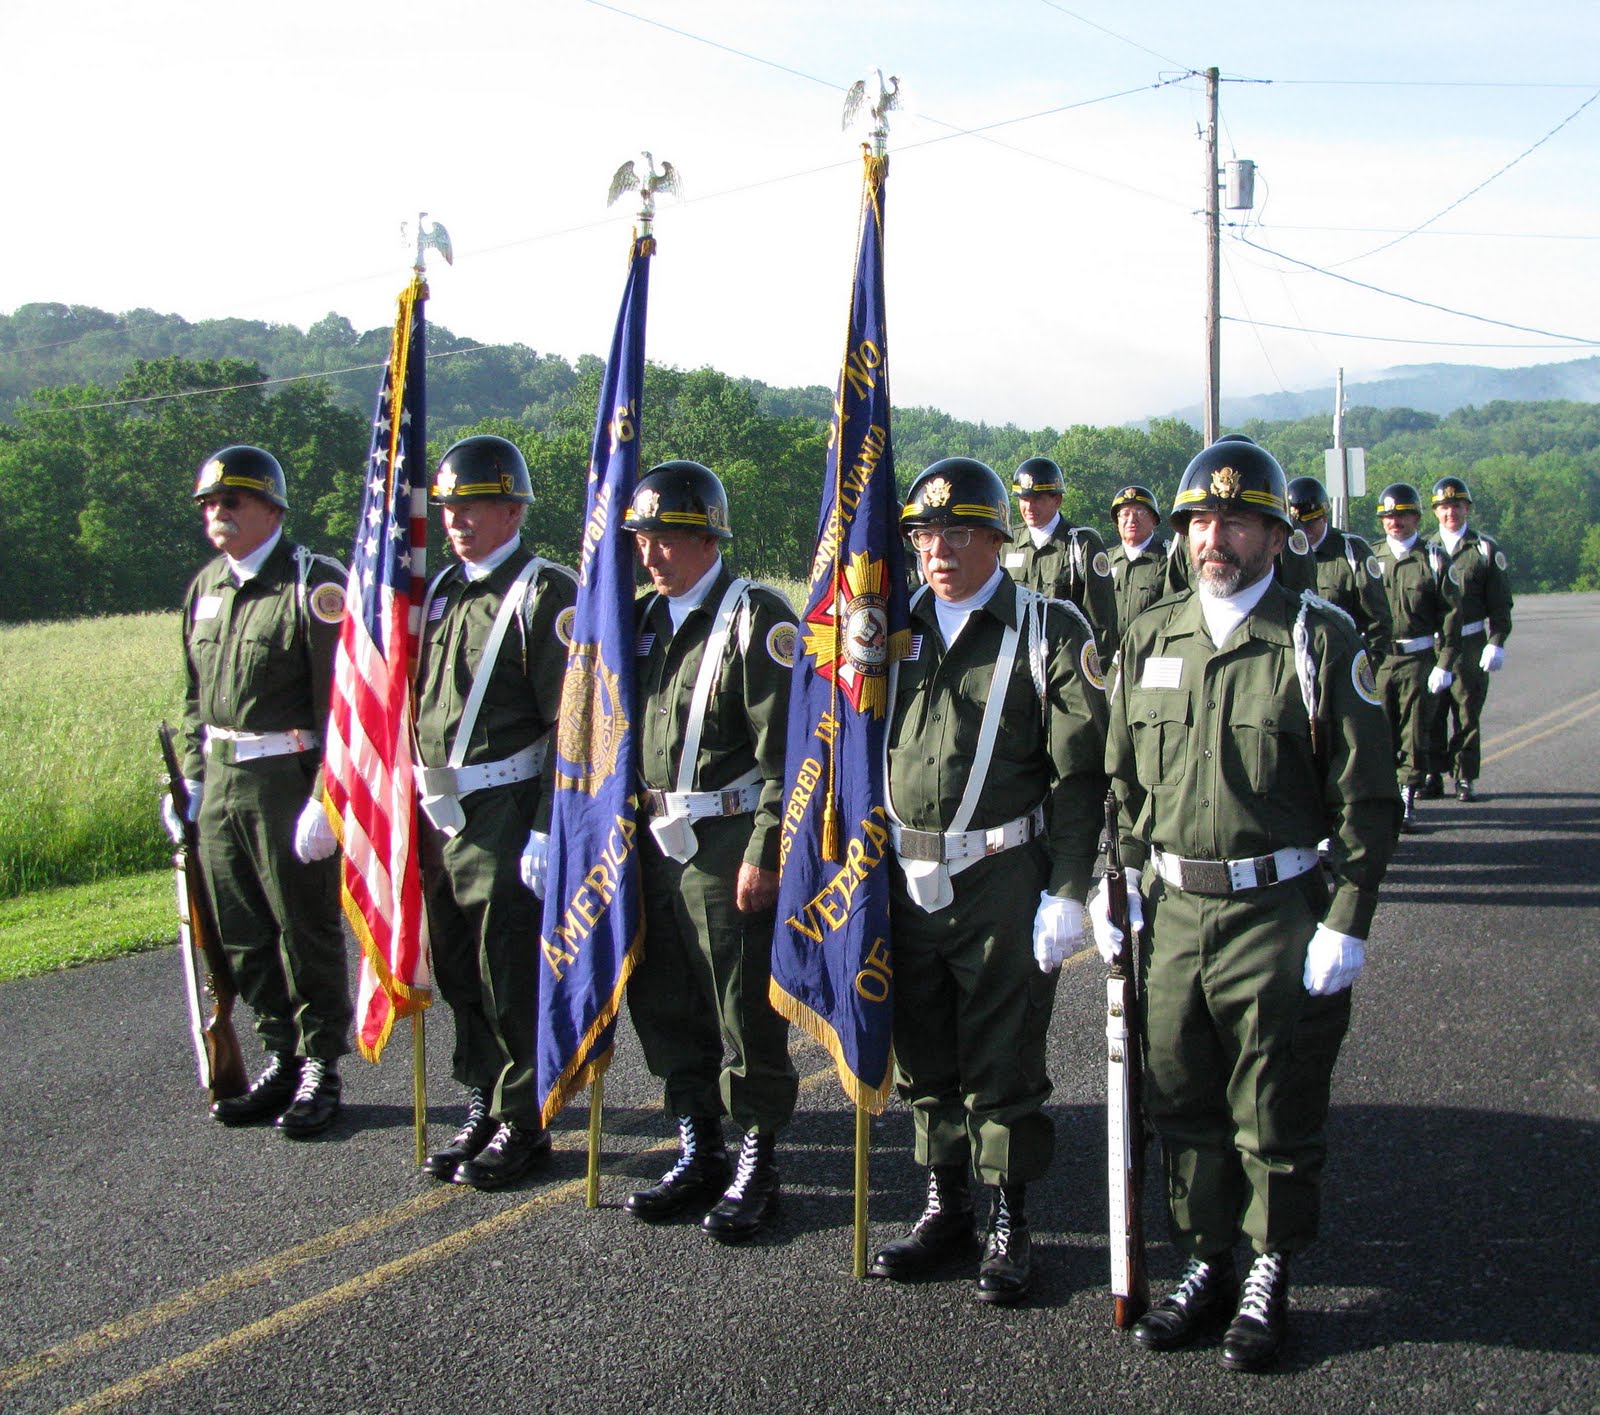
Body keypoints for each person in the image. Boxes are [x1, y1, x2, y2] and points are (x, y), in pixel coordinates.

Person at [1093, 435, 1399, 1372]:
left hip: (1278, 914)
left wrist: (1345, 919)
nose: (1212, 537)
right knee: (1179, 1095)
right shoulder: (1151, 633)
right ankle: (1206, 1260)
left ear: (1275, 535)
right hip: (1175, 912)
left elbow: (1369, 800)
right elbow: (1123, 784)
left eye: (1235, 521)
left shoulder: (1317, 638)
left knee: (1273, 1102)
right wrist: (1122, 886)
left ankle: (1269, 1270)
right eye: (1199, 521)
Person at [868, 457, 1108, 1305]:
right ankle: (946, 1202)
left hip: (1002, 875)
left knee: (1003, 1057)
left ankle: (1010, 1214)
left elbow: (1079, 777)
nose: (938, 548)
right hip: (905, 874)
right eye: (926, 534)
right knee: (924, 1052)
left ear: (998, 541)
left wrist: (1071, 887)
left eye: (958, 532)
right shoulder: (889, 631)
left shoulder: (1047, 627)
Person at [621, 461, 800, 1243]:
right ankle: (698, 1139)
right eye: (643, 537)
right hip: (647, 843)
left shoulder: (755, 617)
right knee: (663, 999)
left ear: (708, 538)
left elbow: (789, 754)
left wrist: (767, 848)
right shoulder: (634, 620)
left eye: (668, 537)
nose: (652, 552)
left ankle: (758, 1154)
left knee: (741, 1009)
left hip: (727, 843)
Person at [172, 444, 352, 1137]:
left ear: (273, 508)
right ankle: (279, 1052)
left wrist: (326, 796)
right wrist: (191, 775)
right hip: (221, 781)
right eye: (210, 503)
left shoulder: (313, 584)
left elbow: (342, 705)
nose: (218, 512)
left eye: (233, 501)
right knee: (241, 930)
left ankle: (319, 1065)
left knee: (303, 926)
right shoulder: (206, 587)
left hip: (289, 777)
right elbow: (193, 694)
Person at [413, 435, 576, 1191]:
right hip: (441, 809)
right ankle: (482, 1093)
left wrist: (547, 822)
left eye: (475, 505)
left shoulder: (546, 595)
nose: (460, 520)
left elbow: (570, 725)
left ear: (513, 507)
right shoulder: (443, 590)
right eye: (450, 507)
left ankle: (524, 1116)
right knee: (457, 966)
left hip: (507, 808)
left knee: (506, 968)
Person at [1372, 483, 1460, 831]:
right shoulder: (1371, 558)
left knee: (1415, 731)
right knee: (1380, 731)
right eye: (1389, 516)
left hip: (1418, 658)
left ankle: (1407, 794)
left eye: (1403, 515)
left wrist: (1445, 661)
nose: (1396, 522)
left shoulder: (1434, 559)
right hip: (1380, 660)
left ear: (1416, 518)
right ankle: (1383, 797)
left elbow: (1452, 614)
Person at [1422, 476, 1513, 801]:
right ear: (1435, 512)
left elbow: (1501, 603)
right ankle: (1431, 773)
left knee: (1466, 713)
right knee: (1431, 713)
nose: (1451, 513)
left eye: (1457, 506)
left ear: (1468, 508)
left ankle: (1463, 776)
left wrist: (1496, 640)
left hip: (1470, 644)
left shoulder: (1484, 549)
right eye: (1444, 507)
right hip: (1432, 644)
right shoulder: (1425, 549)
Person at [1164, 435, 1317, 599]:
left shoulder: (1281, 524)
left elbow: (1301, 586)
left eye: (1234, 523)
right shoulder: (1189, 529)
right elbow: (1175, 588)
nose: (1213, 540)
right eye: (1203, 521)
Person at [1003, 456, 1118, 664]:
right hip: (1015, 660)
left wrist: (1095, 672)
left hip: (1065, 662)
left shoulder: (1082, 544)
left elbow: (1102, 621)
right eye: (1023, 499)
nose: (1029, 506)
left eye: (1037, 499)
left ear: (1057, 499)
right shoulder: (1007, 542)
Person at [1286, 476, 1392, 665]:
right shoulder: (1282, 552)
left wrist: (1365, 671)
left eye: (1309, 523)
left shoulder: (1351, 551)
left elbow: (1377, 622)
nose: (1303, 531)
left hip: (1343, 662)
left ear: (1325, 517)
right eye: (1297, 526)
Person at [1105, 484, 1170, 639]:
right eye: (1125, 514)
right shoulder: (1104, 560)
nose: (1131, 520)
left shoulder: (1169, 559)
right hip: (1111, 659)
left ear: (1154, 519)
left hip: (1151, 654)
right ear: (1117, 522)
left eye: (1140, 512)